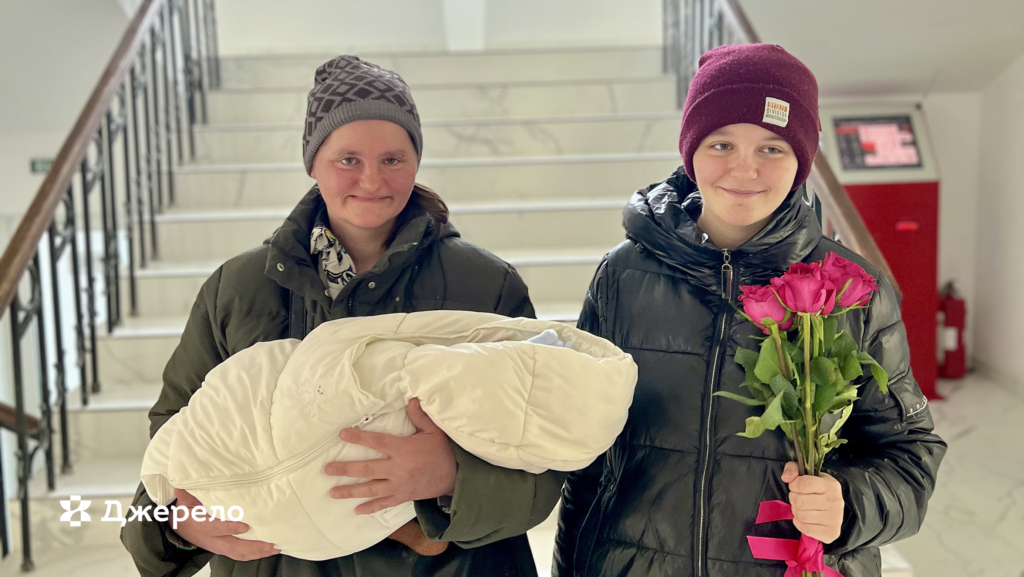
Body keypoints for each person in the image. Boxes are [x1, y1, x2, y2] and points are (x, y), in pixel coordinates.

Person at [122, 55, 565, 577]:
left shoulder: (486, 287)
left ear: (416, 161)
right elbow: (174, 437)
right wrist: (176, 522)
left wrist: (453, 476)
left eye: (393, 159)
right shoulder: (237, 290)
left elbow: (546, 452)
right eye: (348, 159)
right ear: (313, 164)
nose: (372, 179)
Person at [553, 44, 946, 577]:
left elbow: (909, 452)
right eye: (721, 144)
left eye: (772, 148)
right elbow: (586, 459)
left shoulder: (852, 290)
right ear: (691, 150)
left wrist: (849, 504)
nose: (744, 168)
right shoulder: (622, 276)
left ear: (801, 160)